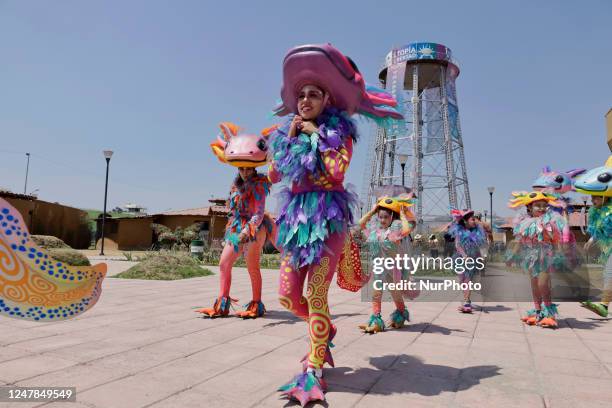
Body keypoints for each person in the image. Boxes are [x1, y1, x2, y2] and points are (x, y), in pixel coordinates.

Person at [270, 43, 403, 406]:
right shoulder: (289, 134)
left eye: (313, 94)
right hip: (297, 222)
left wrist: (314, 134)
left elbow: (334, 172)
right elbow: (274, 174)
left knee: (316, 294)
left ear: (327, 99)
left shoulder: (337, 133)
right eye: (301, 95)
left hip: (329, 221)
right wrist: (291, 139)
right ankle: (325, 329)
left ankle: (313, 368)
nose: (305, 100)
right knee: (286, 295)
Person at [196, 123, 276, 319]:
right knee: (224, 263)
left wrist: (246, 232)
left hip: (255, 229)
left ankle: (256, 304)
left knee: (252, 267)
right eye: (241, 168)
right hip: (236, 226)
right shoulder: (236, 184)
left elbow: (258, 213)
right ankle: (222, 304)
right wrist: (236, 230)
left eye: (248, 168)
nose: (245, 172)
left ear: (255, 167)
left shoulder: (259, 185)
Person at [505, 191, 569, 328]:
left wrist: (560, 254)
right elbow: (520, 241)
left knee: (543, 284)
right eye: (537, 205)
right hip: (530, 258)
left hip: (546, 257)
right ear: (529, 208)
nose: (541, 208)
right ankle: (538, 311)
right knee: (534, 285)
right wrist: (512, 256)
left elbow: (556, 240)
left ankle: (550, 314)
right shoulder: (525, 223)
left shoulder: (550, 222)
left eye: (544, 205)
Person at [356, 195, 416, 333]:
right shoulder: (375, 232)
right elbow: (360, 224)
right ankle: (376, 319)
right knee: (376, 292)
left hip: (393, 268)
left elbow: (407, 229)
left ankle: (400, 314)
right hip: (379, 267)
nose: (382, 220)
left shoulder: (395, 230)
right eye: (380, 217)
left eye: (385, 217)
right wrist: (373, 211)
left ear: (391, 217)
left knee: (395, 293)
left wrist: (401, 214)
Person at [576, 156, 612, 317]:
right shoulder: (598, 212)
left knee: (609, 273)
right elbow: (599, 231)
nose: (593, 199)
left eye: (596, 196)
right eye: (592, 197)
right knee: (609, 272)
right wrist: (591, 240)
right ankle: (604, 305)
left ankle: (604, 305)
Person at [448, 209, 487, 313]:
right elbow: (458, 245)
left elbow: (479, 245)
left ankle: (467, 301)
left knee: (468, 280)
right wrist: (464, 256)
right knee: (462, 280)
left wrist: (481, 256)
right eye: (472, 219)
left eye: (475, 219)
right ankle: (466, 299)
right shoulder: (459, 231)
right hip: (461, 258)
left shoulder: (476, 232)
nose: (475, 221)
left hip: (472, 259)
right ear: (465, 221)